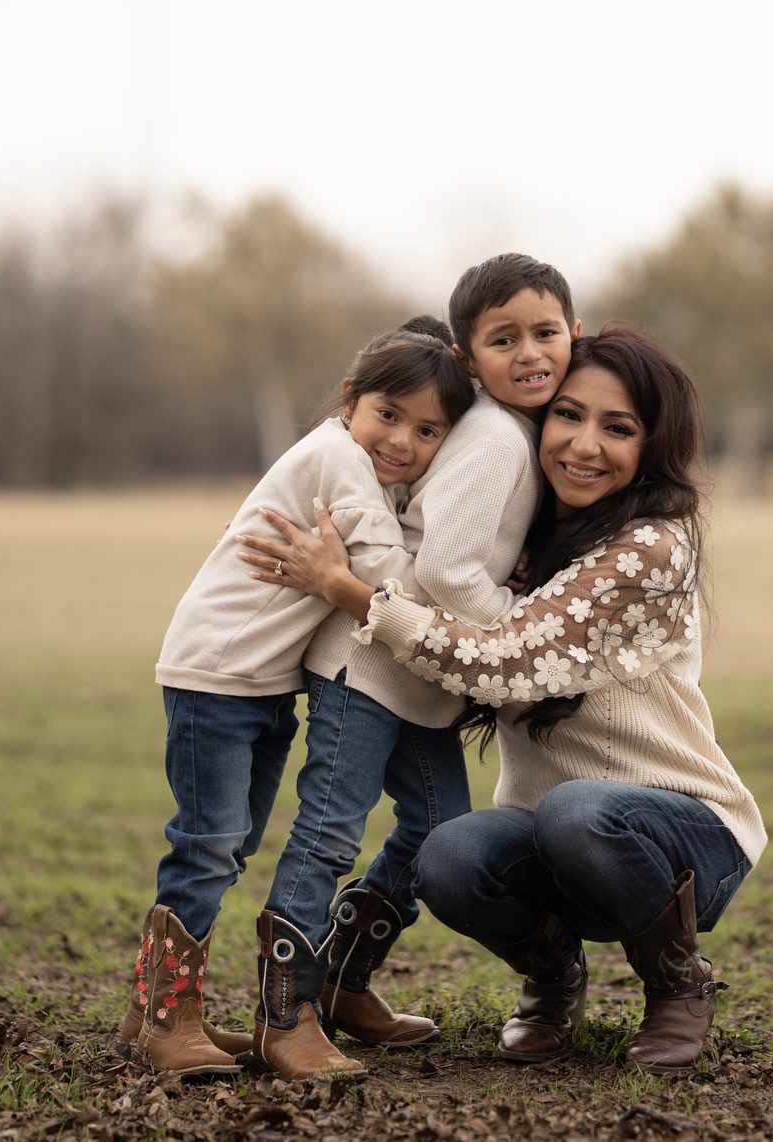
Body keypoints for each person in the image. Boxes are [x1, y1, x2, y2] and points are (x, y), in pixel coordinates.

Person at [238, 323, 766, 1076]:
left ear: (652, 446)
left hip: (685, 839)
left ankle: (680, 986)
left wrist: (352, 592)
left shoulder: (651, 548)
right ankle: (554, 979)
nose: (584, 444)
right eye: (569, 415)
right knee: (449, 851)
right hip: (562, 846)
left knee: (579, 808)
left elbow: (500, 663)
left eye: (617, 428)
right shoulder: (535, 531)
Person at [117, 318, 474, 1080]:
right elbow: (389, 579)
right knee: (209, 841)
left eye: (428, 430)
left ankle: (167, 1012)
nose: (402, 441)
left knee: (233, 841)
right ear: (351, 401)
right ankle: (162, 1018)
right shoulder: (339, 458)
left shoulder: (359, 464)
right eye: (390, 414)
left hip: (261, 681)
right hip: (216, 674)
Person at [257, 255, 582, 1078]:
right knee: (329, 833)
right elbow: (441, 571)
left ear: (574, 335)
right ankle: (284, 1016)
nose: (531, 352)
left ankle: (339, 981)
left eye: (546, 333)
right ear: (470, 356)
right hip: (366, 667)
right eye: (504, 338)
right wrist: (523, 629)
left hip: (416, 680)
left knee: (437, 830)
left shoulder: (498, 426)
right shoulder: (498, 437)